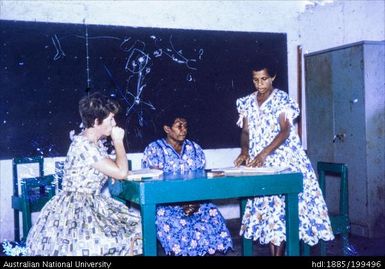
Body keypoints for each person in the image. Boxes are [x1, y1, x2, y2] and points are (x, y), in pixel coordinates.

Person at [233, 60, 334, 256]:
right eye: (255, 80)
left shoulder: (282, 99)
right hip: (261, 163)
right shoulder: (246, 102)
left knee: (282, 208)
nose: (259, 84)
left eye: (264, 79)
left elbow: (285, 131)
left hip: (284, 160)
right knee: (270, 211)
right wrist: (245, 151)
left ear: (273, 78)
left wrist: (264, 153)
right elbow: (245, 132)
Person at [26, 92, 142, 256]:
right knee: (125, 234)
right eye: (110, 119)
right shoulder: (86, 146)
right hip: (78, 208)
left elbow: (113, 169)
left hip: (90, 202)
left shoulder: (93, 143)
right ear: (96, 122)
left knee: (135, 227)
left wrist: (112, 172)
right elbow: (122, 172)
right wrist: (118, 141)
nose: (114, 123)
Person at [141, 111, 233, 256]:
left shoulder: (195, 149)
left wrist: (195, 201)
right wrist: (180, 202)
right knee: (174, 224)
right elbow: (154, 185)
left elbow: (201, 181)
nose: (184, 129)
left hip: (195, 202)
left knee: (212, 214)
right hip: (166, 204)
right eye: (179, 126)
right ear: (167, 129)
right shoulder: (154, 150)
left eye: (185, 126)